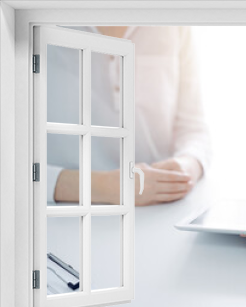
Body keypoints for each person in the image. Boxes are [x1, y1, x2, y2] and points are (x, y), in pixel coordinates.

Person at [47, 26, 211, 206]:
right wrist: (101, 186)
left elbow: (193, 128)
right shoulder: (36, 22)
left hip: (161, 209)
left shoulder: (174, 23)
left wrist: (186, 166)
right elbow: (14, 169)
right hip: (61, 213)